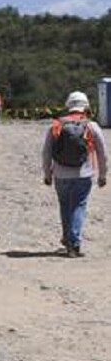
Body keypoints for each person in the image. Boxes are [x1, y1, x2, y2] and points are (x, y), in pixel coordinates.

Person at [41, 91, 107, 258]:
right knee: (79, 206)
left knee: (65, 205)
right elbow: (102, 153)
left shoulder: (56, 125)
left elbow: (46, 153)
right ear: (85, 106)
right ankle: (74, 243)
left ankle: (67, 238)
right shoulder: (91, 126)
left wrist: (47, 174)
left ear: (68, 105)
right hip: (83, 174)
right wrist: (103, 175)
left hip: (61, 174)